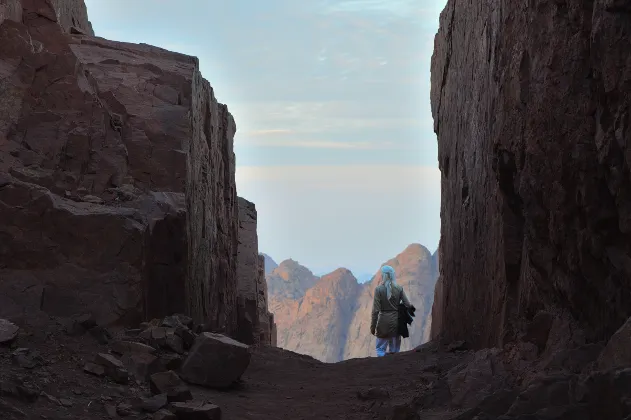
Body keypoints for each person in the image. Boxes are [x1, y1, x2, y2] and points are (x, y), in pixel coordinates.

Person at [370, 265, 413, 357]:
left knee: (380, 350)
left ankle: (382, 369)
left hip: (383, 323)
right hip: (396, 323)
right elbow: (408, 304)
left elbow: (375, 311)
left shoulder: (378, 290)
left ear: (383, 276)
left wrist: (373, 327)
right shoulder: (399, 288)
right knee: (394, 351)